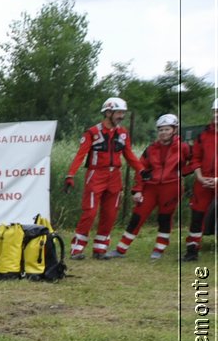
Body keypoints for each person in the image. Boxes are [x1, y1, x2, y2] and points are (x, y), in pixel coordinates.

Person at [65, 97, 144, 260]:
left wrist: (141, 170)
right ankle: (77, 249)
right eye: (118, 113)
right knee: (90, 212)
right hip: (96, 175)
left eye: (123, 113)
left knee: (110, 214)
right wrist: (70, 175)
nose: (121, 116)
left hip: (115, 176)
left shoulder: (123, 133)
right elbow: (81, 155)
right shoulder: (92, 132)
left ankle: (100, 249)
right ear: (108, 112)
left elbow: (129, 154)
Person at [112, 115, 189, 259]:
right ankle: (121, 249)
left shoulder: (183, 147)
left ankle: (159, 249)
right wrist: (137, 190)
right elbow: (141, 169)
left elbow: (193, 163)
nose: (163, 132)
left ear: (175, 130)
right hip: (151, 187)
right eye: (160, 130)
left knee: (165, 218)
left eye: (167, 129)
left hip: (171, 187)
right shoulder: (151, 149)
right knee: (137, 216)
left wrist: (182, 173)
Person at [186, 100, 218, 261]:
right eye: (215, 111)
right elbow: (195, 158)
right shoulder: (203, 135)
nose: (216, 115)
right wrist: (199, 176)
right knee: (197, 215)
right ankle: (192, 251)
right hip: (203, 181)